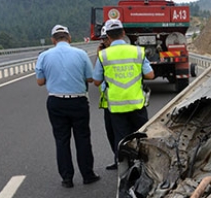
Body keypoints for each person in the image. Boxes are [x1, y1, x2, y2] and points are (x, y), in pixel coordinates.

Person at [35, 24, 100, 188]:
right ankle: (87, 174)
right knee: (83, 138)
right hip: (78, 101)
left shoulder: (44, 56)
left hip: (56, 101)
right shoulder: (81, 54)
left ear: (53, 40)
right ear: (69, 38)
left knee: (61, 140)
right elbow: (91, 78)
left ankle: (67, 178)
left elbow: (40, 81)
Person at [93, 19, 155, 170]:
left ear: (107, 35)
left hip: (116, 106)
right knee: (140, 137)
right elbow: (150, 75)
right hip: (136, 103)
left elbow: (96, 81)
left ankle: (125, 171)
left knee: (121, 139)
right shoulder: (137, 51)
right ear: (123, 33)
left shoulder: (104, 55)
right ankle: (145, 168)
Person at [96, 26, 117, 170]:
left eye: (104, 39)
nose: (103, 41)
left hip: (113, 101)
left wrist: (100, 55)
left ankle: (121, 160)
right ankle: (120, 159)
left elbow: (96, 80)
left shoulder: (105, 56)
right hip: (129, 100)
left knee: (115, 133)